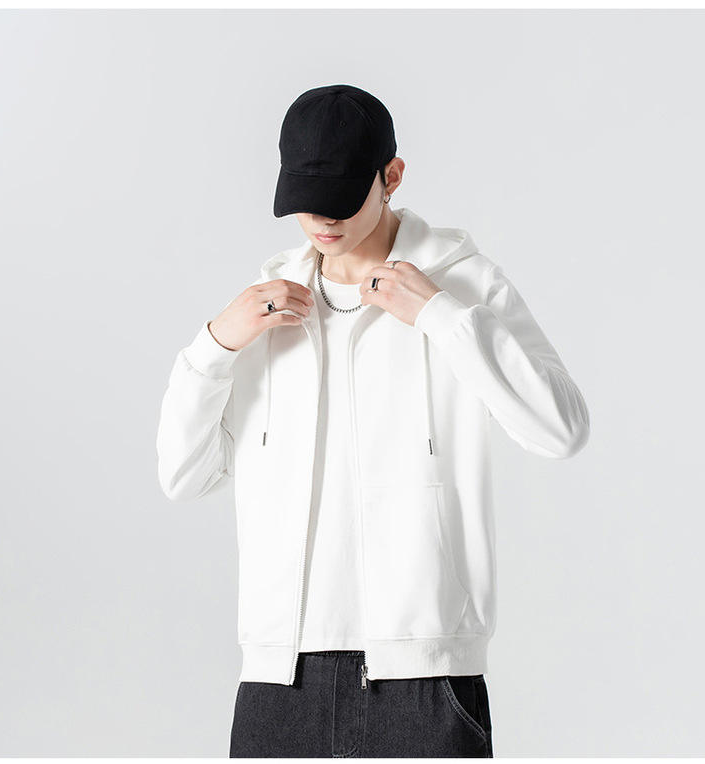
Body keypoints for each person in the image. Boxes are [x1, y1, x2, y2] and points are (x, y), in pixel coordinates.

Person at [156, 84, 590, 757]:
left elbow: (561, 429)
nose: (322, 220)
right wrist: (214, 346)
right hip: (278, 678)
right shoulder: (267, 309)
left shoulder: (463, 285)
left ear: (392, 176)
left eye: (341, 198)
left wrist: (442, 317)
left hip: (425, 678)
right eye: (305, 200)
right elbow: (184, 478)